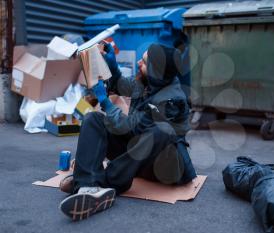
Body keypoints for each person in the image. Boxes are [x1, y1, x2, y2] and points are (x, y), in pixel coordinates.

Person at [59, 43, 197, 221]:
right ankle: (87, 185)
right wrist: (113, 67)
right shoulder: (148, 82)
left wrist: (106, 102)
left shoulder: (172, 100)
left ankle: (106, 181)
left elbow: (133, 128)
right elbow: (122, 85)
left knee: (163, 131)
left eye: (145, 62)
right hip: (136, 156)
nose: (139, 62)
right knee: (93, 119)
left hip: (163, 167)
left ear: (156, 71)